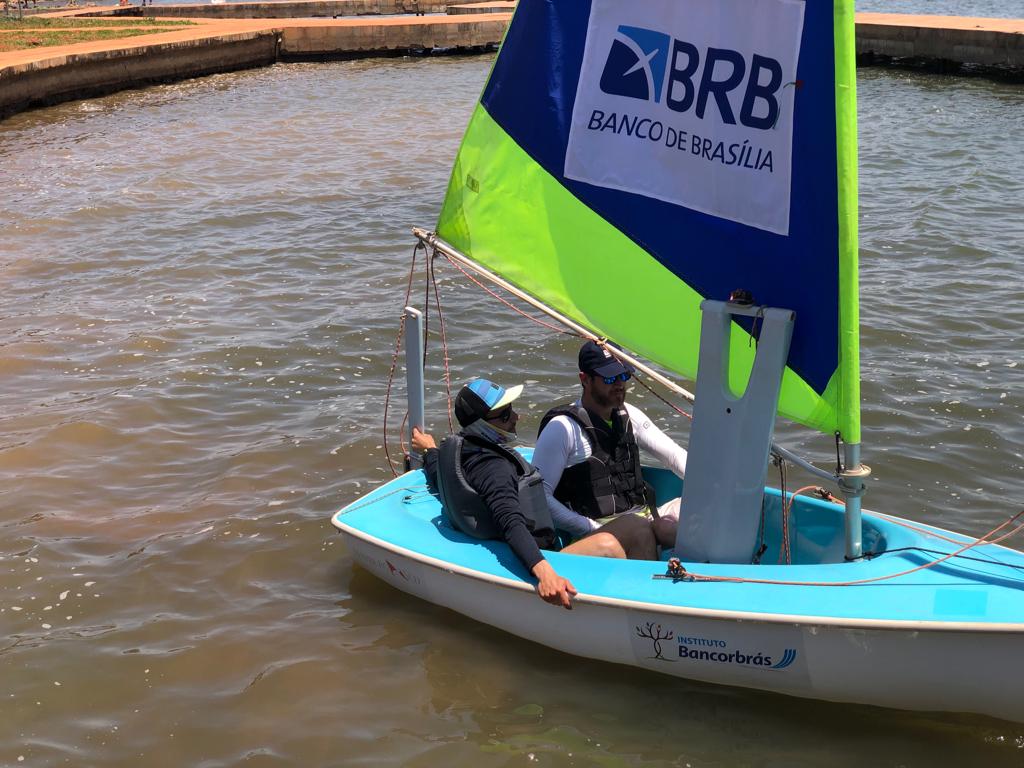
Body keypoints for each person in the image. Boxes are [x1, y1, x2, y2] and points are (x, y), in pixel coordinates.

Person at [411, 377, 633, 610]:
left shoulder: (466, 448)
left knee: (635, 526)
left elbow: (441, 475)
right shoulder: (493, 467)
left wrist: (429, 450)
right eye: (506, 414)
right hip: (548, 556)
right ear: (481, 423)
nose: (516, 417)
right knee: (608, 545)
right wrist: (545, 574)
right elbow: (509, 521)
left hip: (543, 545)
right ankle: (631, 607)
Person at [532, 340, 688, 557]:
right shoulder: (563, 429)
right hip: (596, 532)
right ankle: (650, 587)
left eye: (624, 376)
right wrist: (590, 528)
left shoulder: (628, 414)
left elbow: (674, 456)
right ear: (585, 379)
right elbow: (539, 496)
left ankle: (716, 573)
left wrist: (714, 486)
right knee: (638, 529)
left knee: (693, 510)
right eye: (609, 378)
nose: (619, 384)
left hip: (643, 518)